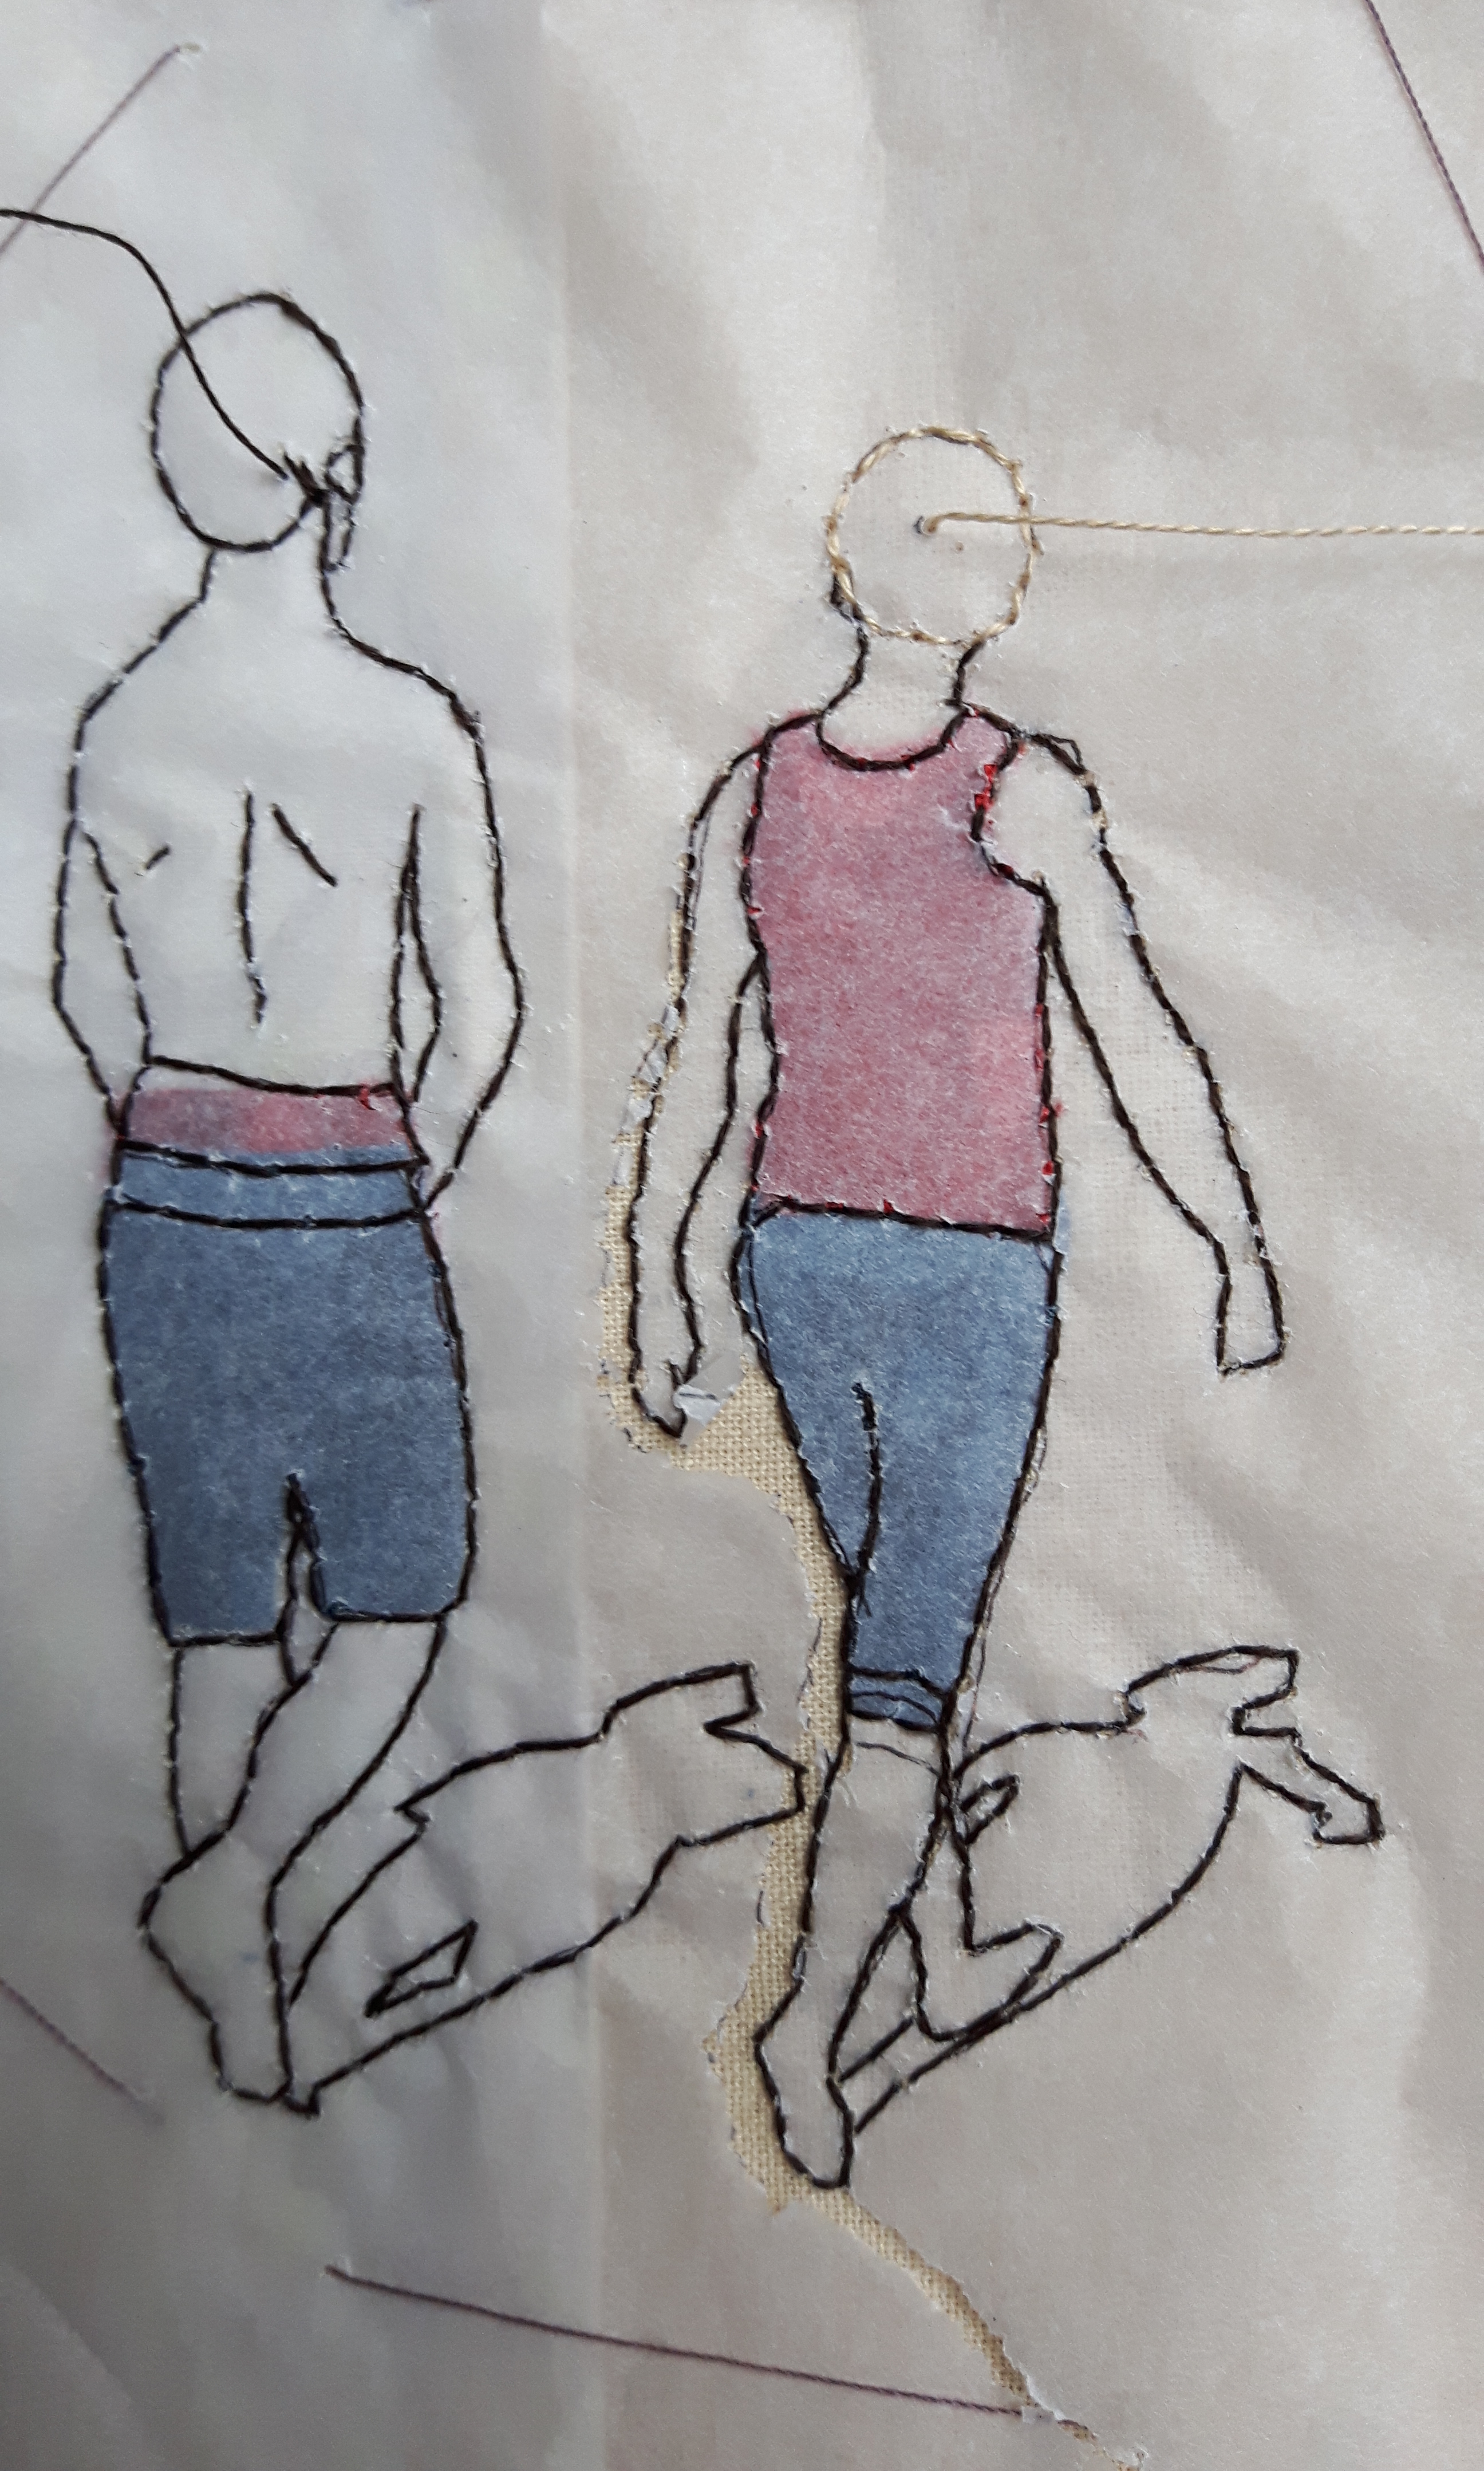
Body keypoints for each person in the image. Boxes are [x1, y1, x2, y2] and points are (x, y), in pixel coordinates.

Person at [629, 425, 1283, 2185]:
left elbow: (702, 1059)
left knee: (891, 1632)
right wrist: (1232, 1241)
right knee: (909, 1676)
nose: (1015, 563)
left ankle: (943, 1941)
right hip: (966, 1275)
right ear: (905, 568)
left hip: (793, 1255)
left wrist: (665, 1272)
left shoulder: (756, 787)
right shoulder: (1019, 786)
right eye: (983, 539)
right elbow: (1133, 1030)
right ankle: (805, 2029)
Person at [54, 293, 522, 2099]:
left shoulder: (122, 724)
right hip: (350, 1190)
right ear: (340, 476)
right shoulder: (407, 724)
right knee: (400, 1600)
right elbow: (480, 1011)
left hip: (165, 1197)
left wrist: (172, 1134)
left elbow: (87, 993)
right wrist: (411, 1168)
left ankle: (232, 1983)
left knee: (217, 1615)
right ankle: (239, 1894)